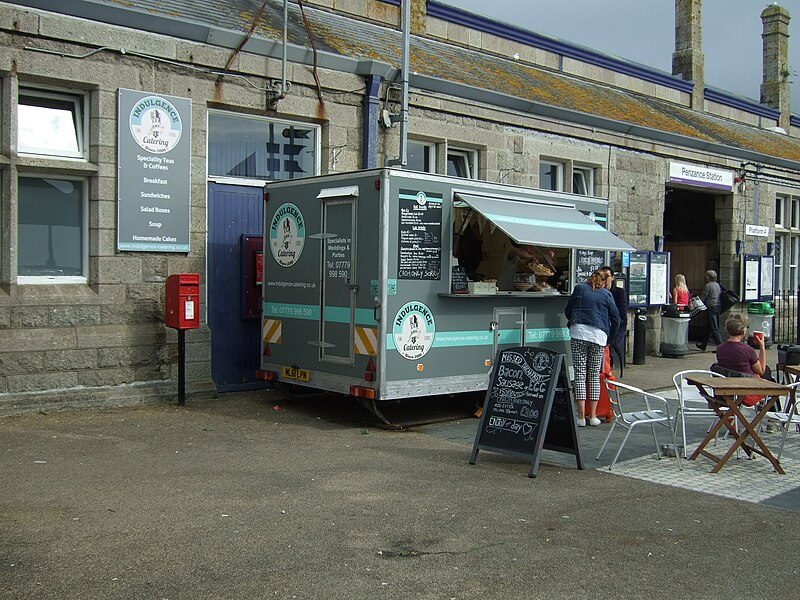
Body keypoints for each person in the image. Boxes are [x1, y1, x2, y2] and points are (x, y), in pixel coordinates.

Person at [565, 269, 620, 427]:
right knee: (594, 376)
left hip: (578, 333)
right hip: (598, 337)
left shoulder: (580, 289)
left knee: (580, 375)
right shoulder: (606, 294)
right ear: (603, 281)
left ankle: (581, 417)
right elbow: (616, 318)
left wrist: (574, 320)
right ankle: (593, 416)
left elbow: (568, 310)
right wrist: (610, 338)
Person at [599, 266, 627, 367]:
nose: (604, 279)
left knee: (609, 349)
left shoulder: (619, 292)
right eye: (602, 276)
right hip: (602, 325)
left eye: (607, 276)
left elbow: (622, 312)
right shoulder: (597, 292)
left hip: (616, 325)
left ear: (612, 278)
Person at [696, 269, 723, 351]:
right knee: (710, 326)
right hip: (718, 306)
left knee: (714, 327)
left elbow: (703, 297)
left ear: (708, 277)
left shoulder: (708, 285)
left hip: (711, 307)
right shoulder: (717, 285)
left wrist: (698, 304)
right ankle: (704, 344)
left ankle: (721, 346)